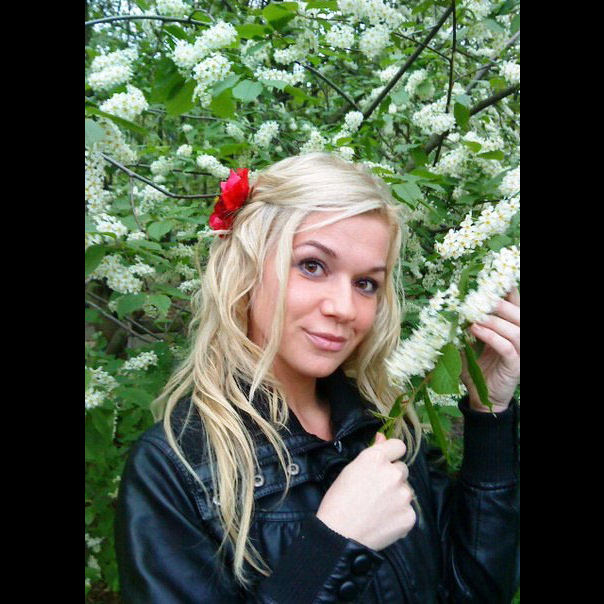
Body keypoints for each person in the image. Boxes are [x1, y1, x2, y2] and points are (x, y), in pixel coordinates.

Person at [114, 152, 520, 603]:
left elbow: (475, 592)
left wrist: (489, 413)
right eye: (312, 265)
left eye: (366, 283)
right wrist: (334, 547)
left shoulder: (387, 428)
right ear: (246, 268)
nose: (344, 308)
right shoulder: (176, 469)